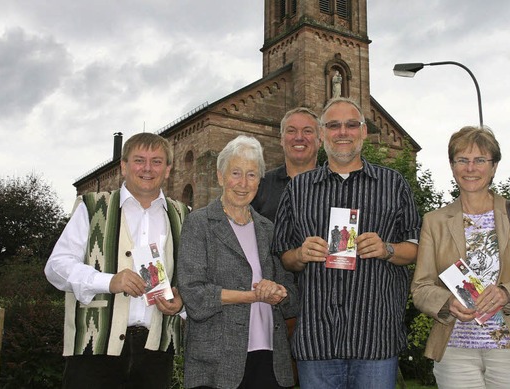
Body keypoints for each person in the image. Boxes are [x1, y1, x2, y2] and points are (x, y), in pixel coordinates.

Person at [272, 97, 422, 388]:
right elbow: (283, 255)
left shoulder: (393, 184)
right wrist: (300, 255)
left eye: (351, 125)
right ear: (322, 134)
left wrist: (387, 249)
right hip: (317, 340)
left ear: (364, 131)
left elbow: (417, 248)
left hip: (375, 338)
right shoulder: (299, 189)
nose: (343, 132)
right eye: (334, 125)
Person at [411, 126, 510, 388]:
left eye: (480, 160)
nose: (471, 168)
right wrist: (446, 301)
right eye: (462, 160)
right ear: (452, 165)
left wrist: (506, 293)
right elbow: (421, 288)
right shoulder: (434, 221)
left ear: (494, 166)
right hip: (455, 352)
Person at [44, 133, 189, 388]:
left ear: (168, 170)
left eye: (156, 161)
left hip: (155, 354)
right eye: (139, 160)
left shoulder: (185, 216)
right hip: (95, 350)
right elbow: (56, 266)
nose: (147, 168)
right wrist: (108, 281)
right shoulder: (92, 206)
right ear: (123, 166)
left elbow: (195, 277)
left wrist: (182, 302)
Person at [177, 135, 299, 389]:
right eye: (236, 173)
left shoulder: (269, 229)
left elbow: (292, 299)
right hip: (217, 362)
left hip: (269, 360)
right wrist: (252, 296)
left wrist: (279, 292)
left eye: (252, 175)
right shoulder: (199, 224)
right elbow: (195, 295)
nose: (243, 183)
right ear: (220, 177)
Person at [251, 106, 322, 222]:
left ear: (320, 140)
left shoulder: (335, 186)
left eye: (307, 131)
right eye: (291, 131)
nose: (299, 137)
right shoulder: (260, 185)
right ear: (281, 139)